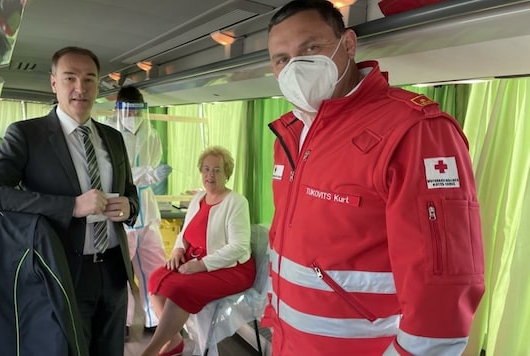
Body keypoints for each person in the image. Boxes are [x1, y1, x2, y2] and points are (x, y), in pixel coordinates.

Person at [264, 1, 485, 355]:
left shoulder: (414, 130)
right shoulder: (289, 134)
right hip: (291, 343)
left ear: (348, 45)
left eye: (310, 48)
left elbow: (443, 290)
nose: (296, 66)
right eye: (282, 59)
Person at [0, 46, 140, 356]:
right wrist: (72, 206)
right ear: (54, 83)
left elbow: (131, 192)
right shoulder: (27, 135)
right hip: (61, 270)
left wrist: (131, 208)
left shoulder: (114, 139)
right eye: (70, 78)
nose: (81, 88)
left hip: (114, 273)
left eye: (90, 79)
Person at [140, 146, 255, 356]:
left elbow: (238, 247)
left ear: (227, 173)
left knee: (179, 290)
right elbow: (184, 232)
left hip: (231, 268)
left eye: (217, 170)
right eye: (206, 169)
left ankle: (151, 350)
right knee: (155, 279)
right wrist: (177, 250)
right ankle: (174, 340)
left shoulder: (237, 202)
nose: (210, 175)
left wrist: (201, 265)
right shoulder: (197, 199)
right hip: (194, 259)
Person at [104, 85, 171, 330]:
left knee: (155, 267)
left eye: (137, 110)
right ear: (118, 109)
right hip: (123, 210)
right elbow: (116, 173)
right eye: (128, 111)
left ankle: (156, 320)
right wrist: (149, 174)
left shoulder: (151, 133)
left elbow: (152, 164)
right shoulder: (107, 132)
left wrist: (152, 175)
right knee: (120, 273)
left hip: (148, 210)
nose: (133, 116)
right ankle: (123, 322)